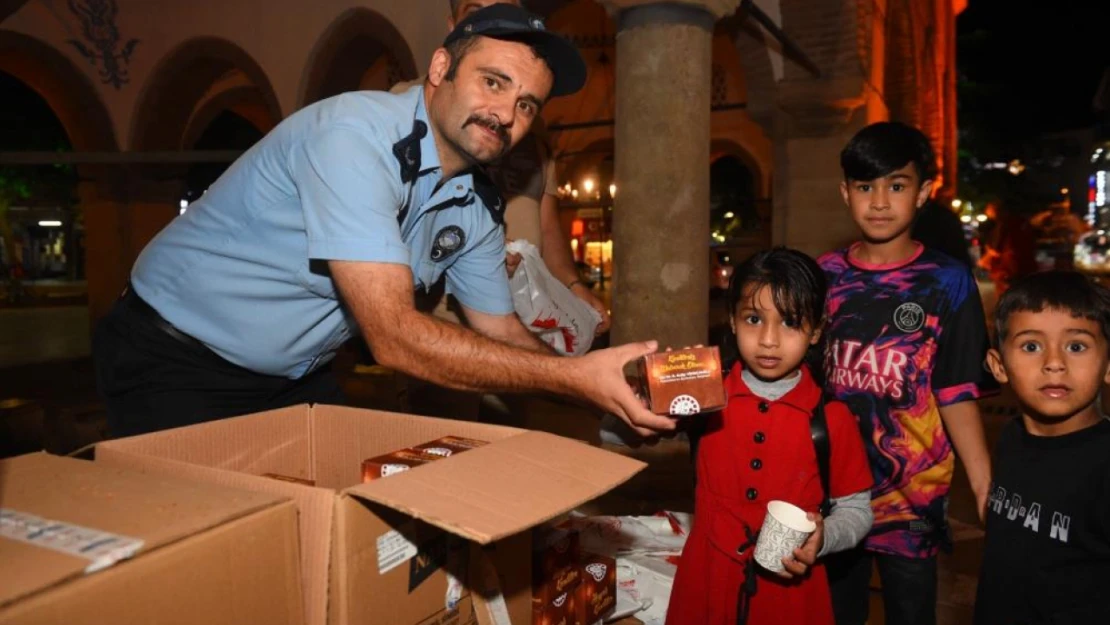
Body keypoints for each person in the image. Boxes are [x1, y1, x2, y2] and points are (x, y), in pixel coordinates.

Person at [93, 4, 673, 441]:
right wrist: (577, 381)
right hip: (172, 357)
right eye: (493, 82)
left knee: (367, 520)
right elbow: (394, 339)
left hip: (292, 376)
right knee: (211, 556)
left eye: (526, 104)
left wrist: (601, 387)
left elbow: (499, 331)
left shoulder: (475, 204)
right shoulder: (352, 137)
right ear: (441, 67)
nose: (506, 114)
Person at [389, 0, 610, 424]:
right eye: (476, 10)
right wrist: (472, 252)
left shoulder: (528, 124)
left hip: (521, 316)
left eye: (525, 104)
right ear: (453, 26)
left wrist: (573, 284)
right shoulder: (408, 103)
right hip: (440, 320)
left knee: (517, 455)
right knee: (445, 456)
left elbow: (545, 220)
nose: (508, 113)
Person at [817, 121, 999, 625]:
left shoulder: (948, 282)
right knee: (837, 613)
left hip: (913, 499)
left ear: (923, 193)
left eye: (896, 185)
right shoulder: (823, 277)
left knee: (912, 613)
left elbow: (957, 390)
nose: (879, 201)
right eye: (865, 186)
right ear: (845, 193)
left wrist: (984, 487)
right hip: (834, 495)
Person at [666, 247, 873, 625]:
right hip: (707, 579)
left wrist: (823, 538)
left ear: (816, 330)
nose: (769, 340)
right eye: (753, 319)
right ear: (731, 320)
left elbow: (857, 511)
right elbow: (618, 434)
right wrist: (658, 386)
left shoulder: (831, 418)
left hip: (791, 594)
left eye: (791, 322)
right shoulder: (706, 396)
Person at [975, 270, 1110, 625]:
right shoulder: (1010, 437)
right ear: (998, 366)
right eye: (1031, 346)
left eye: (1076, 346)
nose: (1054, 363)